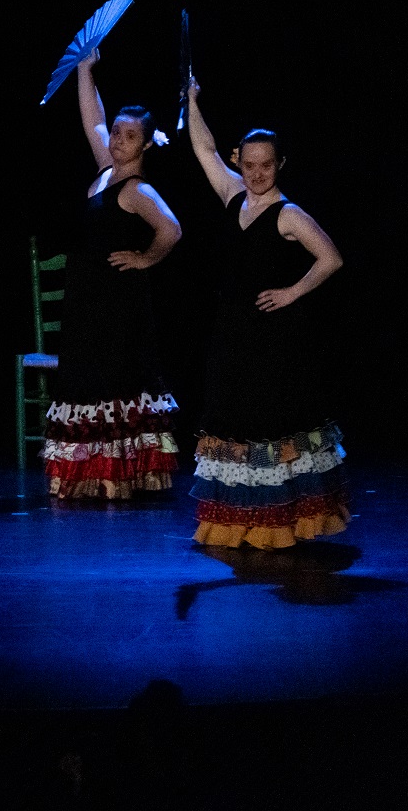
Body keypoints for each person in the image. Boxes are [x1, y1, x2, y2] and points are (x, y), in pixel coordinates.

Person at [183, 77, 347, 547]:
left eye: (266, 165)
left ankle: (282, 523)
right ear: (240, 161)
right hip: (233, 332)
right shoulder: (233, 194)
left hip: (275, 339)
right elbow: (204, 148)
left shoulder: (288, 214)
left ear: (279, 165)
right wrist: (192, 100)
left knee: (272, 424)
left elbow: (331, 258)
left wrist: (293, 292)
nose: (257, 174)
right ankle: (241, 521)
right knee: (234, 422)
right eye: (250, 165)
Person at [43, 49, 182, 499]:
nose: (118, 140)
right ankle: (93, 476)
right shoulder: (106, 173)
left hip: (116, 305)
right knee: (86, 381)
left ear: (146, 144)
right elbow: (94, 122)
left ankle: (119, 477)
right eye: (118, 134)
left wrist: (146, 258)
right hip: (88, 299)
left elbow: (171, 229)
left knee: (113, 382)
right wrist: (85, 71)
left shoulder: (138, 189)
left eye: (129, 136)